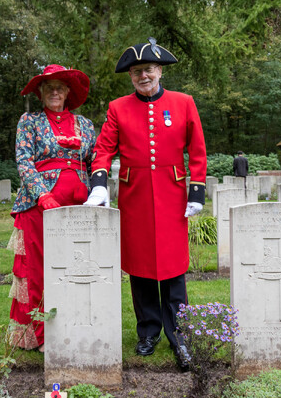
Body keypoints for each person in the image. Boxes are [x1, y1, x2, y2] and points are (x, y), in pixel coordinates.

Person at [84, 37, 207, 371]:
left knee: (173, 267)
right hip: (134, 196)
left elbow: (196, 150)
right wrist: (99, 185)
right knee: (139, 269)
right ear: (131, 76)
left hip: (172, 194)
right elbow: (104, 148)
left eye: (149, 69)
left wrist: (196, 192)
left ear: (159, 71)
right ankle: (149, 331)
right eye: (137, 71)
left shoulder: (183, 102)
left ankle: (179, 333)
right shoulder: (118, 107)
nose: (143, 76)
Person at [8, 64, 95, 351]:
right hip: (39, 205)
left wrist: (98, 193)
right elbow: (24, 162)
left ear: (68, 92)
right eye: (49, 87)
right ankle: (42, 334)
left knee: (78, 267)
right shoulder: (29, 122)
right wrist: (42, 195)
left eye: (60, 87)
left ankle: (78, 325)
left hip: (80, 206)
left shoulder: (86, 125)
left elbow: (96, 162)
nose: (54, 92)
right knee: (39, 269)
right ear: (41, 92)